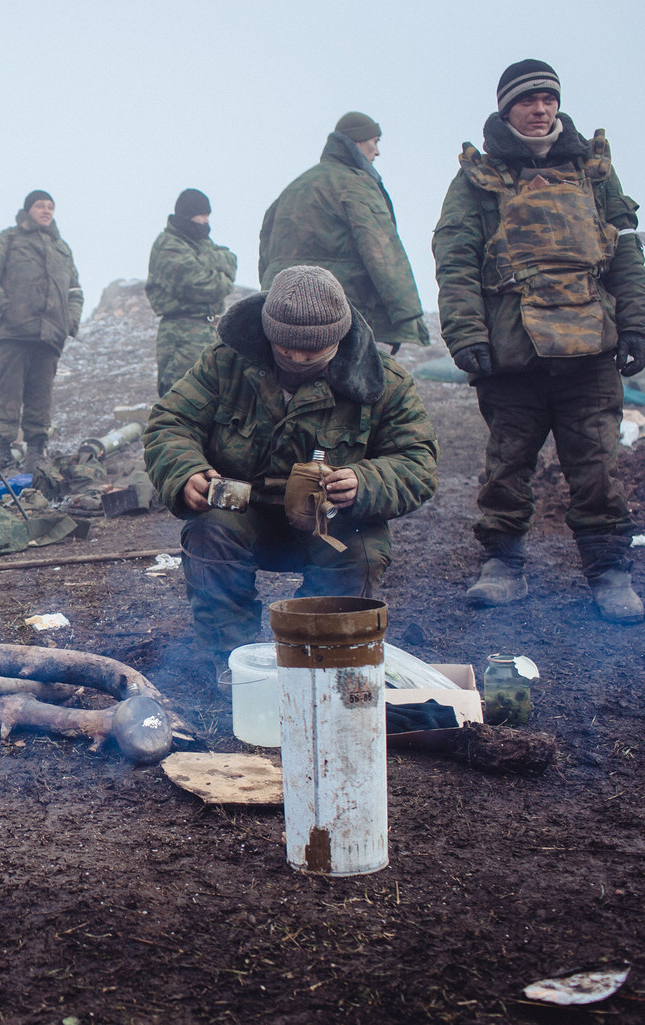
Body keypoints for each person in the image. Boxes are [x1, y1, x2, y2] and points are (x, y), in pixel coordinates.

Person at [432, 60, 645, 622]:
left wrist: (636, 324)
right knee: (507, 467)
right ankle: (503, 565)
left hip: (589, 350)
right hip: (512, 354)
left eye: (549, 99)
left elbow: (625, 250)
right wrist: (465, 335)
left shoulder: (595, 171)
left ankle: (609, 572)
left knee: (598, 468)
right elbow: (455, 261)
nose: (541, 109)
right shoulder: (476, 180)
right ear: (507, 109)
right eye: (528, 101)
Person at [143, 266, 438, 655]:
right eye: (285, 347)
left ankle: (320, 655)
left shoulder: (383, 382)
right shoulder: (225, 363)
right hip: (242, 516)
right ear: (268, 332)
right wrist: (186, 472)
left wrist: (364, 481)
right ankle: (231, 662)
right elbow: (170, 422)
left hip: (331, 522)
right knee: (207, 530)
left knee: (361, 550)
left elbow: (417, 460)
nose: (297, 357)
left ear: (338, 336)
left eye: (313, 350)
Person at [259, 112, 430, 352]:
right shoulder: (356, 184)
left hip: (285, 312)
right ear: (359, 141)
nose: (377, 152)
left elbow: (265, 254)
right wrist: (405, 316)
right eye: (375, 141)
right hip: (341, 311)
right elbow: (381, 250)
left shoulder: (293, 188)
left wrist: (269, 298)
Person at [0, 190, 84, 468]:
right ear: (28, 210)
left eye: (50, 207)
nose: (46, 211)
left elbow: (75, 290)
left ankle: (36, 452)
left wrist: (69, 322)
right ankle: (4, 453)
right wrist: (4, 311)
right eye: (40, 206)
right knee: (8, 394)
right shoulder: (6, 240)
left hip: (49, 336)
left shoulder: (62, 249)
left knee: (40, 397)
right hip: (14, 333)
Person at [146, 188, 238, 396]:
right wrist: (223, 278)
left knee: (214, 398)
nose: (205, 221)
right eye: (201, 215)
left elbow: (231, 259)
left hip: (210, 331)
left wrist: (207, 262)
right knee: (181, 397)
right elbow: (199, 285)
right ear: (187, 215)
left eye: (207, 215)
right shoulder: (167, 245)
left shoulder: (201, 242)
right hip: (182, 335)